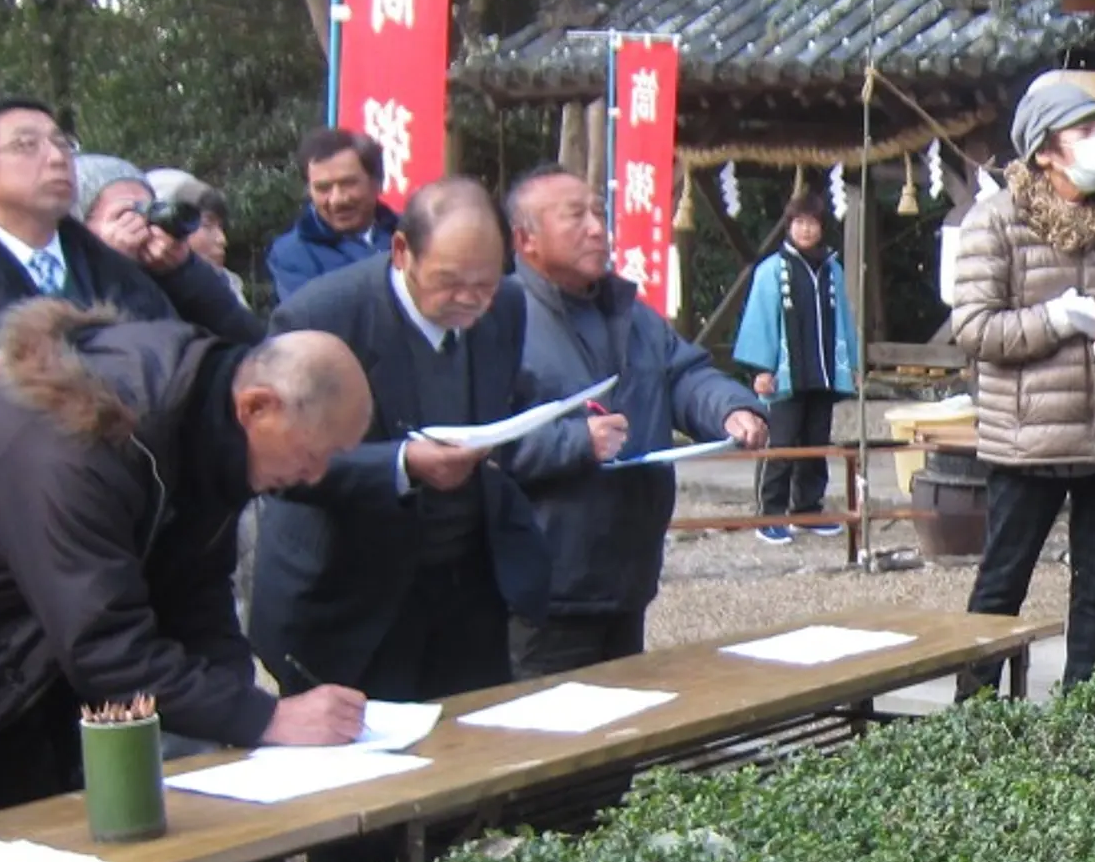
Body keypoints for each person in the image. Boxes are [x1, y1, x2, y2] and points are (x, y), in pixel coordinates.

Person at [0, 301, 372, 834]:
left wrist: (242, 719)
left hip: (2, 661)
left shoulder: (203, 433)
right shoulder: (81, 441)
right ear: (257, 406)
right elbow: (104, 649)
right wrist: (267, 717)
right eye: (314, 453)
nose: (313, 476)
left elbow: (195, 596)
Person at [247, 178, 548, 702]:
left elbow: (507, 399)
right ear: (403, 251)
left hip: (464, 584)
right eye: (451, 281)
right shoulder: (323, 317)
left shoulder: (507, 308)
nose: (470, 301)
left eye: (486, 283)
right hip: (351, 591)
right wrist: (402, 463)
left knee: (475, 745)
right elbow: (275, 462)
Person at [499, 166, 767, 676]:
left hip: (627, 574)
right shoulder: (500, 320)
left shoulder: (632, 314)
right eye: (575, 217)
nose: (597, 228)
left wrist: (731, 408)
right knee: (549, 742)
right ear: (525, 238)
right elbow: (485, 442)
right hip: (544, 588)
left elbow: (684, 376)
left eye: (599, 214)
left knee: (623, 730)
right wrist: (576, 442)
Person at [0, 100, 259, 437]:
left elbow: (211, 361)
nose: (56, 158)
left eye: (62, 143)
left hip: (125, 492)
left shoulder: (114, 267)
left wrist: (181, 271)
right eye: (27, 145)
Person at [949, 73, 1095, 688]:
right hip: (1028, 439)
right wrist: (1063, 317)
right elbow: (976, 329)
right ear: (1044, 149)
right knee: (1002, 582)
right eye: (1086, 132)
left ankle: (1085, 709)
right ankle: (975, 714)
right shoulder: (994, 222)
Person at [732, 189, 860, 543]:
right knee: (782, 444)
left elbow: (845, 321)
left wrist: (851, 362)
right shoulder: (771, 270)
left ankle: (807, 510)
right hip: (785, 372)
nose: (806, 230)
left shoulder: (832, 269)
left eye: (813, 223)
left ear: (822, 227)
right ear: (789, 226)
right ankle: (769, 513)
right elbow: (760, 320)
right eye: (799, 222)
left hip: (821, 370)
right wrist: (761, 368)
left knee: (816, 443)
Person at [82, 156, 259, 342]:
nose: (142, 226)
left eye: (148, 212)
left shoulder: (171, 276)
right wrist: (108, 266)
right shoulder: (60, 283)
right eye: (124, 215)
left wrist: (184, 270)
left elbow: (252, 344)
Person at [266, 127, 401, 302]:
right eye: (323, 188)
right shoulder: (292, 253)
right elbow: (313, 318)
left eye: (348, 183)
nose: (337, 200)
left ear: (378, 183)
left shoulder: (413, 235)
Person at [148, 169, 243, 298]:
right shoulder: (135, 293)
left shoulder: (227, 286)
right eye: (207, 225)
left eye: (220, 226)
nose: (222, 239)